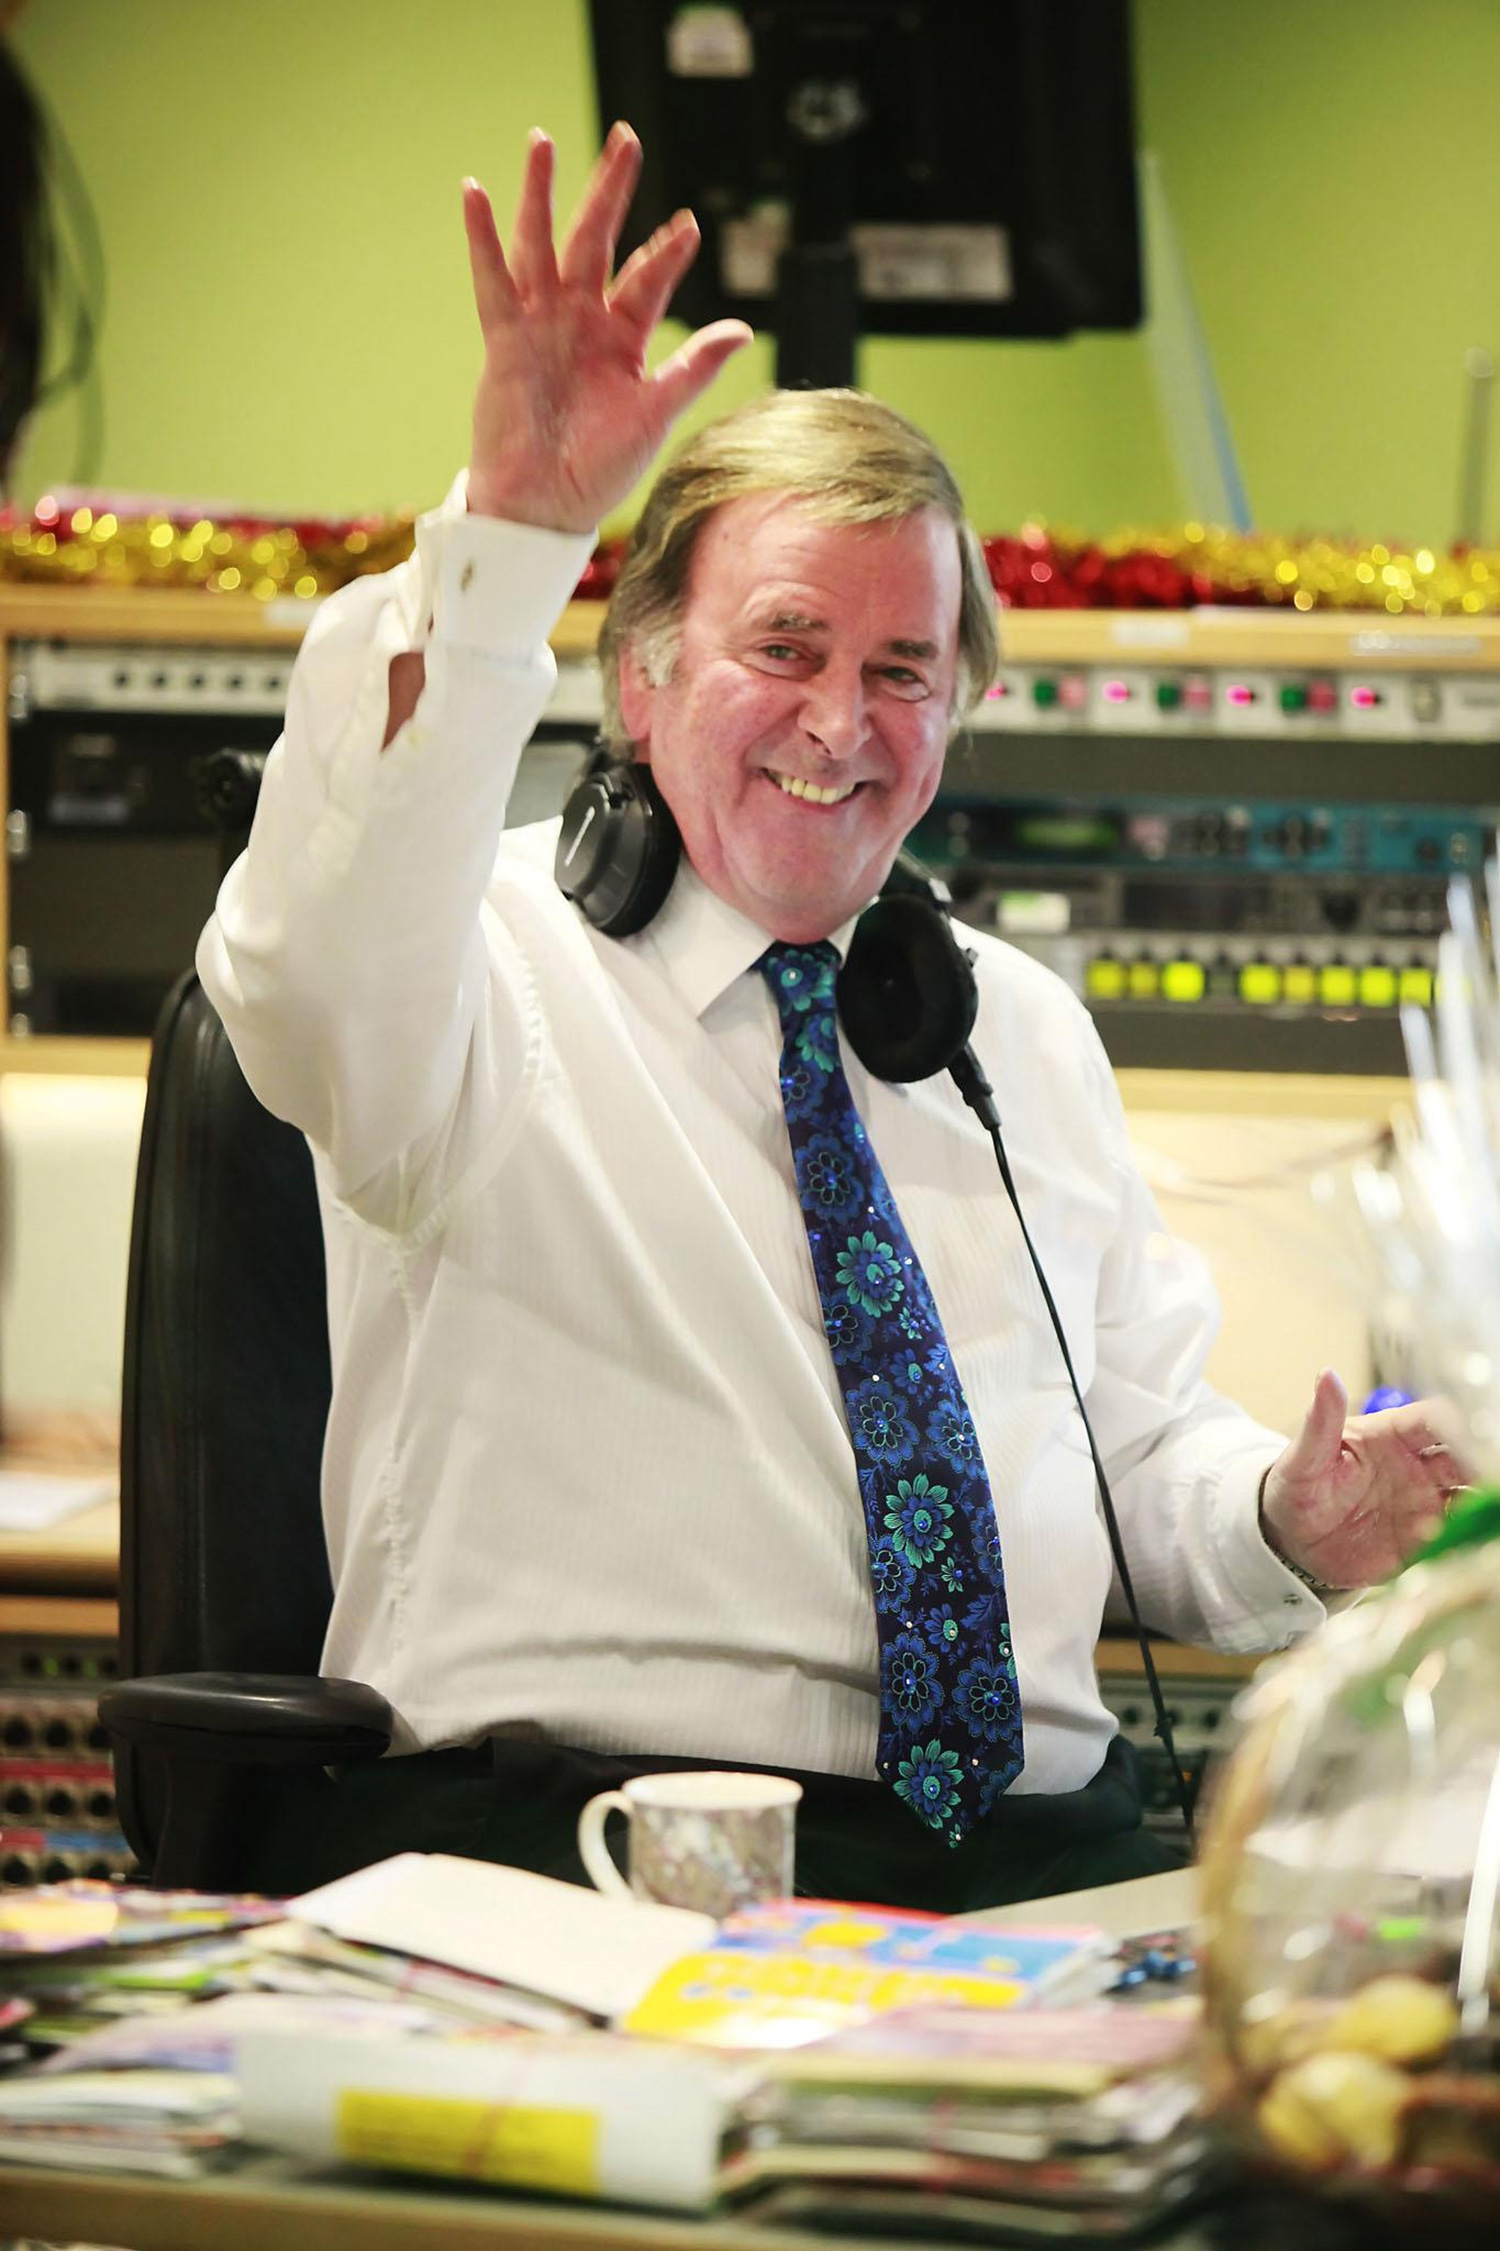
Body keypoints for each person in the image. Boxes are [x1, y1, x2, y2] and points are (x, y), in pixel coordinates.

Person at [199, 126, 1463, 1908]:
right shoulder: (463, 957)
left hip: (1028, 1869)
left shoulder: (1007, 1030)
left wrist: (1284, 1516)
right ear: (642, 678)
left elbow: (1133, 1452)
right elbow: (307, 957)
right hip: (589, 1854)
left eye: (901, 671)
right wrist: (511, 536)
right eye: (784, 646)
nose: (840, 720)